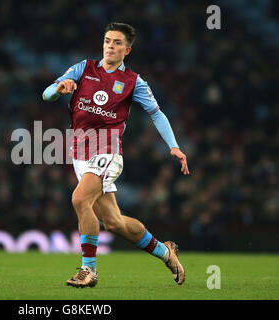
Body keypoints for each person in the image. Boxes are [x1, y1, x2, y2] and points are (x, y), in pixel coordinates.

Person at [42, 22, 190, 288]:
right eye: (108, 40)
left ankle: (89, 270)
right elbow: (47, 94)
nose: (111, 46)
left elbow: (156, 113)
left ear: (127, 49)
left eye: (117, 42)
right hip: (80, 153)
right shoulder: (82, 69)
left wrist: (173, 145)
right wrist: (59, 87)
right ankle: (166, 253)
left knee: (79, 199)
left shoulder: (133, 82)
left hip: (107, 151)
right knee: (114, 223)